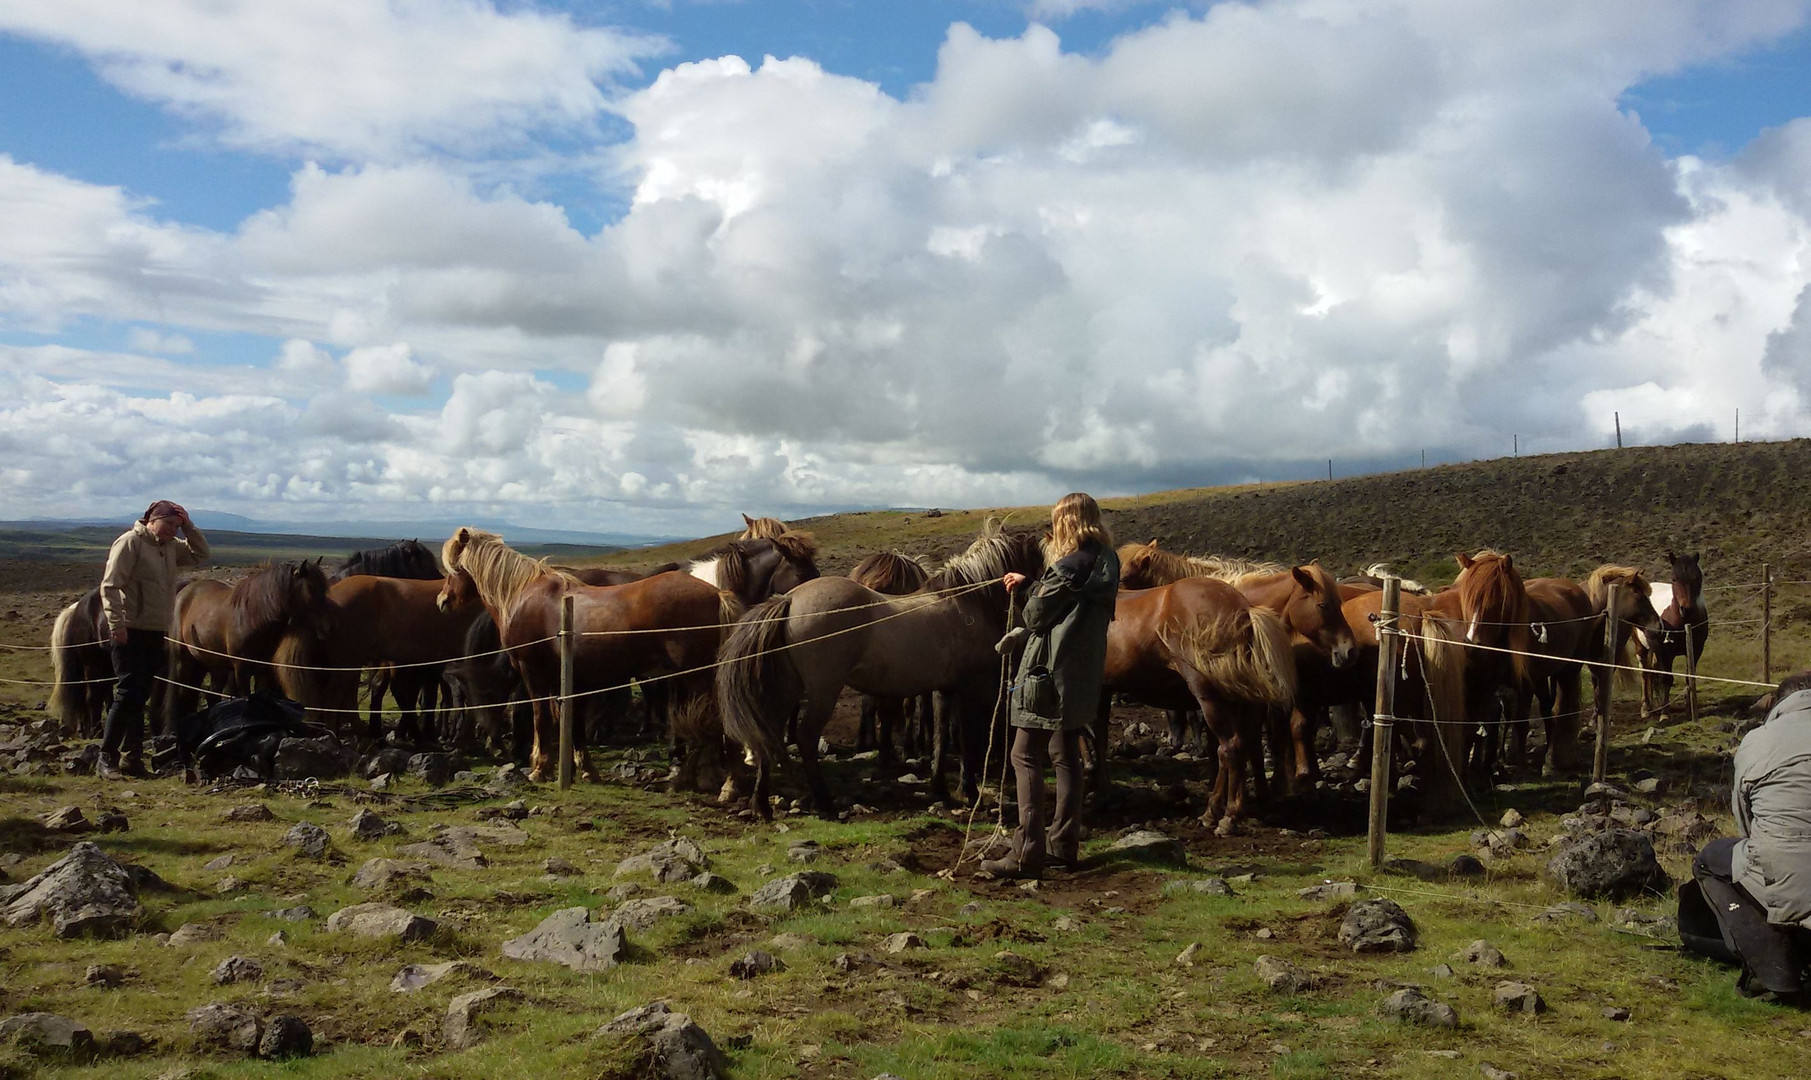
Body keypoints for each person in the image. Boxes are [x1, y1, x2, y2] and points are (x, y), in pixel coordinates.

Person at [982, 493, 1118, 880]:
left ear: (1066, 524)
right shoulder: (1106, 561)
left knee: (1023, 755)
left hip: (1048, 672)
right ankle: (1062, 844)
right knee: (1065, 755)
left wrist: (1030, 589)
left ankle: (1026, 853)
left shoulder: (1066, 567)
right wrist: (1038, 581)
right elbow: (1070, 600)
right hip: (1081, 674)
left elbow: (1037, 615)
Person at [1678, 670, 1811, 1001]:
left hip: (1787, 870)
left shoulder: (1759, 740)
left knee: (1712, 860)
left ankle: (1774, 970)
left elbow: (1745, 822)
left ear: (1779, 703)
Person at [96, 500, 209, 780]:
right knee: (127, 694)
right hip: (130, 629)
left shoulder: (170, 547)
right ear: (152, 520)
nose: (173, 530)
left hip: (156, 630)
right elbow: (110, 586)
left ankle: (132, 759)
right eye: (169, 524)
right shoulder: (130, 543)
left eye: (176, 525)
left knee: (140, 695)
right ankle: (106, 757)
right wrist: (117, 623)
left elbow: (201, 553)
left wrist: (189, 526)